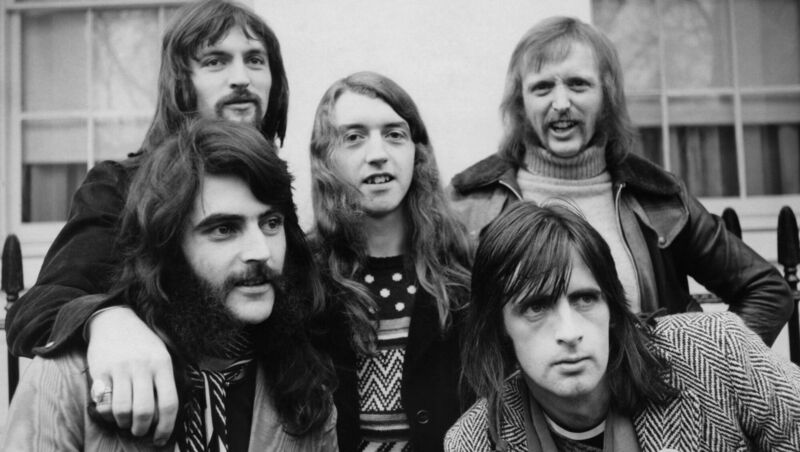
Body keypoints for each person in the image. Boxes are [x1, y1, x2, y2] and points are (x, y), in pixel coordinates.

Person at [5, 0, 288, 443]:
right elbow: (39, 307)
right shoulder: (120, 186)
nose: (241, 78)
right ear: (181, 82)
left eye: (255, 60)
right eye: (215, 61)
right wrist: (106, 319)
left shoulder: (273, 187)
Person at [446, 16, 792, 345]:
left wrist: (703, 366)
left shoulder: (659, 198)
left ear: (606, 96)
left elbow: (767, 291)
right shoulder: (470, 204)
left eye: (578, 84)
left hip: (646, 389)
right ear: (520, 102)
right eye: (542, 87)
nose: (561, 103)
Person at [3, 119, 337, 451]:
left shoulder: (304, 389)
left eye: (271, 223)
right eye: (224, 229)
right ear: (169, 248)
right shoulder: (70, 379)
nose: (261, 252)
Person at [445, 201, 800, 452]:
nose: (569, 332)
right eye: (536, 307)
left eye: (585, 299)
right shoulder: (473, 443)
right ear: (500, 327)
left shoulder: (715, 349)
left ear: (612, 309)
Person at [308, 71, 473, 451]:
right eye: (353, 137)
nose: (378, 154)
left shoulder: (464, 267)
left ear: (417, 151)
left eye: (395, 134)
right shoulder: (305, 275)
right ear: (325, 158)